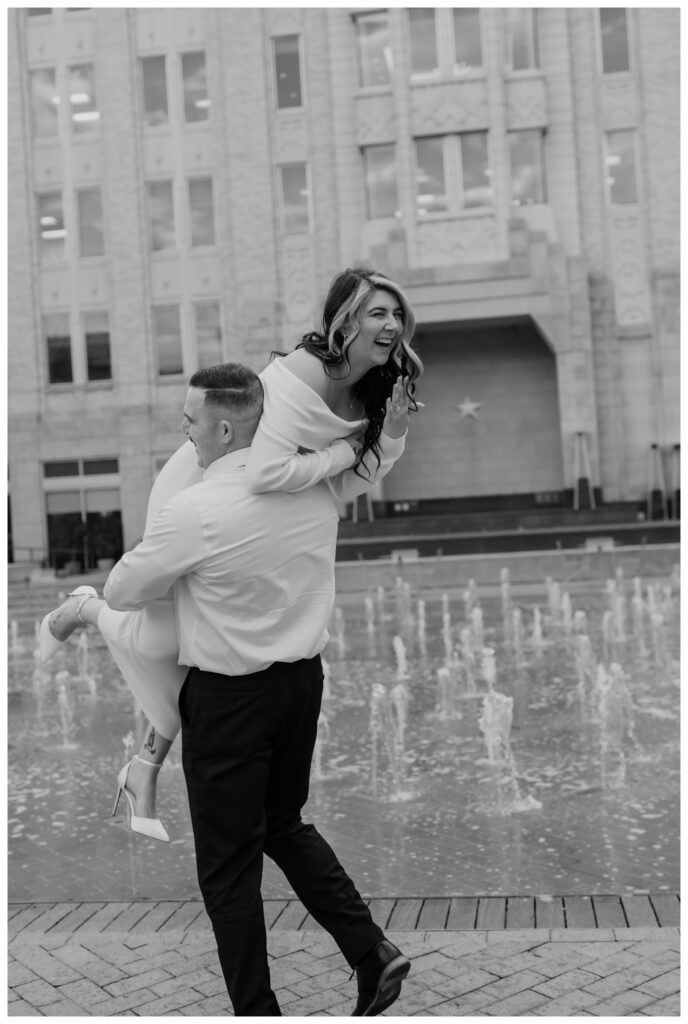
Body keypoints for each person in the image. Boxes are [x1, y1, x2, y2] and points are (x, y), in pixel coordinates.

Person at [39, 267, 423, 840]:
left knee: (195, 652)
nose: (391, 325)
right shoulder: (304, 371)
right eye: (377, 313)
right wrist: (344, 453)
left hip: (268, 510)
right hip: (206, 487)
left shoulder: (378, 387)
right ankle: (86, 609)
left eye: (397, 314)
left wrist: (387, 434)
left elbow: (348, 483)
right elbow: (270, 470)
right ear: (345, 320)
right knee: (167, 640)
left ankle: (143, 768)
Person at [103, 362, 412, 1015]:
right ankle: (371, 951)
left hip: (229, 699)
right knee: (283, 823)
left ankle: (258, 1012)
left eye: (190, 422)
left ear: (222, 426)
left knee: (227, 871)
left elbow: (122, 591)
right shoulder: (313, 491)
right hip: (301, 684)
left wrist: (170, 574)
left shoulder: (197, 509)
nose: (184, 433)